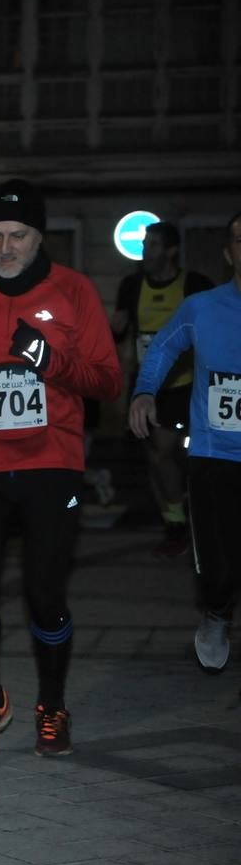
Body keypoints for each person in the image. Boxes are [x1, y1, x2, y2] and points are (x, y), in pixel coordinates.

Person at [0, 179, 120, 764]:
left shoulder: (73, 291)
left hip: (51, 461)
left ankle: (52, 704)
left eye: (18, 235)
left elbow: (106, 380)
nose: (6, 247)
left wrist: (52, 360)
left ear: (40, 236)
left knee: (45, 594)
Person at [129, 210, 241, 672]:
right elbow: (162, 348)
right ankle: (216, 614)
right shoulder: (202, 307)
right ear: (228, 253)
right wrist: (143, 392)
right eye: (240, 238)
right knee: (219, 561)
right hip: (214, 454)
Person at [112, 221, 214, 557]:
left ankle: (179, 523)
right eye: (144, 244)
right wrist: (115, 330)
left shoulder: (194, 285)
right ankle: (174, 518)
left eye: (153, 245)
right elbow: (122, 335)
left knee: (162, 452)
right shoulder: (131, 285)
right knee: (154, 457)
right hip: (147, 385)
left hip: (185, 383)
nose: (145, 251)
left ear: (171, 251)